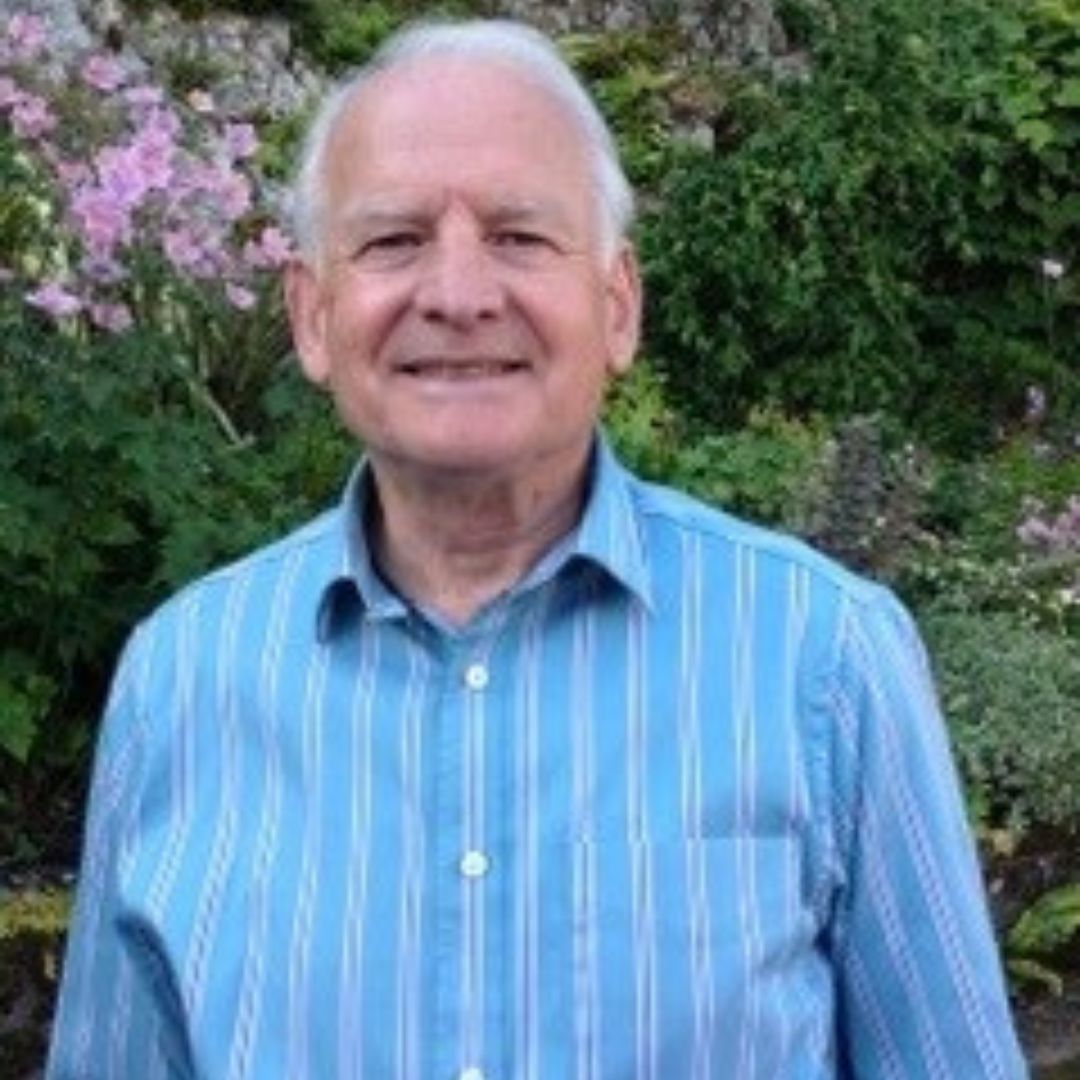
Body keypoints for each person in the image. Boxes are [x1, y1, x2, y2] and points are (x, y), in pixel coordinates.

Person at [47, 18, 1027, 1080]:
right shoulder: (181, 681)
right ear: (312, 316)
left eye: (519, 236)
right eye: (392, 241)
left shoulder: (823, 659)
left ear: (616, 307)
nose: (460, 294)